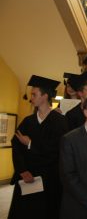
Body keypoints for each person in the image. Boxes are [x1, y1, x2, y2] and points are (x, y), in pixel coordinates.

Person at [8, 75, 68, 219]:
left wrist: (30, 144)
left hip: (49, 178)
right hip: (27, 177)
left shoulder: (60, 121)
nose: (31, 98)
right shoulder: (28, 121)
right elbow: (16, 145)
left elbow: (57, 150)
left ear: (45, 96)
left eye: (34, 94)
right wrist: (22, 170)